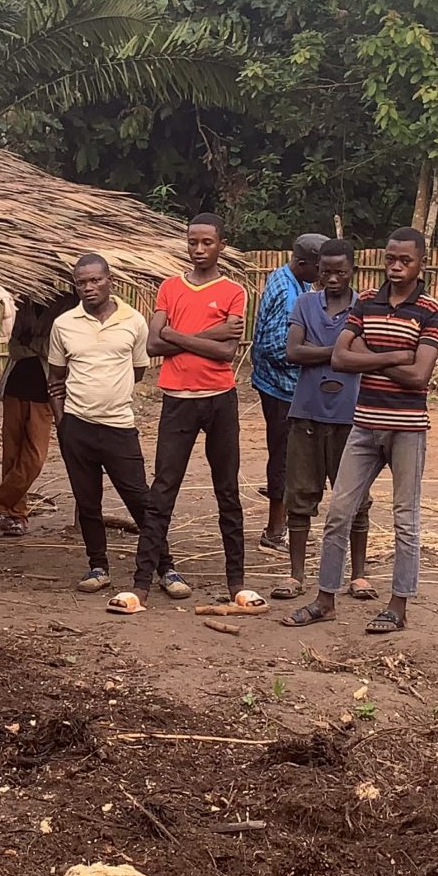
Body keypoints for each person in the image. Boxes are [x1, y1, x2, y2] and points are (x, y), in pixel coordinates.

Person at [282, 228, 438, 636]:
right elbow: (339, 356)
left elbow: (420, 375)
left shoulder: (430, 310)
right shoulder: (367, 302)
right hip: (365, 423)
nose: (395, 266)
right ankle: (325, 599)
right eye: (390, 258)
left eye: (404, 260)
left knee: (405, 519)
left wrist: (366, 357)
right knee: (339, 512)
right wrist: (392, 356)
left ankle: (398, 605)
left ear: (421, 263)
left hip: (406, 428)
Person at [134, 213, 258, 611]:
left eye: (207, 242)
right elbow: (153, 346)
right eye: (193, 243)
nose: (199, 249)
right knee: (163, 491)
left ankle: (236, 581)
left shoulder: (233, 291)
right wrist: (201, 335)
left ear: (221, 244)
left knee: (228, 491)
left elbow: (227, 352)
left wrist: (175, 334)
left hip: (220, 400)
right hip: (177, 401)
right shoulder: (169, 288)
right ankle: (141, 584)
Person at [45, 254, 155, 603]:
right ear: (75, 285)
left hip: (119, 426)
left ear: (110, 280)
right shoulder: (64, 325)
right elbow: (55, 380)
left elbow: (138, 371)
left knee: (140, 499)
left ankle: (163, 564)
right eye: (81, 282)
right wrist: (64, 424)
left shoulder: (134, 321)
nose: (89, 288)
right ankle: (98, 567)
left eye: (95, 280)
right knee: (87, 501)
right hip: (77, 427)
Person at [272, 238, 372, 602]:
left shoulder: (366, 307)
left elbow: (368, 354)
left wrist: (322, 353)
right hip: (307, 412)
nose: (332, 278)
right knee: (299, 494)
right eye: (325, 271)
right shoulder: (304, 303)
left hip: (352, 415)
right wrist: (341, 352)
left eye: (339, 272)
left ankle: (358, 576)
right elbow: (293, 352)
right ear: (317, 270)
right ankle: (296, 575)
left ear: (352, 271)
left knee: (356, 499)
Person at [251, 234, 325, 552]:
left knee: (290, 456)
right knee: (284, 457)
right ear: (303, 263)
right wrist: (317, 353)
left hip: (285, 385)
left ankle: (283, 525)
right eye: (320, 268)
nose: (324, 275)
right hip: (280, 387)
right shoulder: (286, 290)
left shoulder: (292, 281)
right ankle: (275, 530)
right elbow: (272, 345)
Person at [0, 292, 64, 536]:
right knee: (12, 454)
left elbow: (58, 348)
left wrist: (32, 342)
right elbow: (14, 346)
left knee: (35, 456)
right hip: (14, 386)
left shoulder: (67, 303)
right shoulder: (24, 303)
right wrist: (39, 344)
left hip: (45, 391)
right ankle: (16, 515)